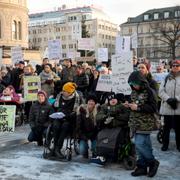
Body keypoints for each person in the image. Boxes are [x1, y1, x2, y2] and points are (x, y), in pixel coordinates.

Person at [126, 70, 159, 177]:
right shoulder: (134, 92)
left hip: (145, 123)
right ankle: (142, 167)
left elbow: (154, 108)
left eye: (135, 84)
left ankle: (152, 162)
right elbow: (134, 103)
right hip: (134, 122)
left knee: (139, 144)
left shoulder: (150, 92)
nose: (134, 86)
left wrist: (138, 108)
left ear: (141, 82)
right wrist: (129, 105)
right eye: (131, 85)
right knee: (145, 146)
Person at [49, 82, 83, 159]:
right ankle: (54, 148)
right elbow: (53, 107)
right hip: (58, 117)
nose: (63, 92)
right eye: (63, 91)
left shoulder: (77, 98)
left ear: (70, 92)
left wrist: (67, 116)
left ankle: (58, 148)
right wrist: (53, 114)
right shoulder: (59, 96)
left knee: (65, 127)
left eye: (65, 91)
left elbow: (77, 112)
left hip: (69, 120)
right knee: (55, 125)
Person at [159, 60, 180, 151]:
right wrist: (168, 99)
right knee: (166, 128)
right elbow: (161, 91)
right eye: (173, 65)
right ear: (171, 67)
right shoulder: (166, 77)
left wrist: (176, 99)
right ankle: (165, 144)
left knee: (179, 128)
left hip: (179, 107)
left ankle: (179, 145)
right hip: (167, 107)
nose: (175, 67)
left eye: (177, 65)